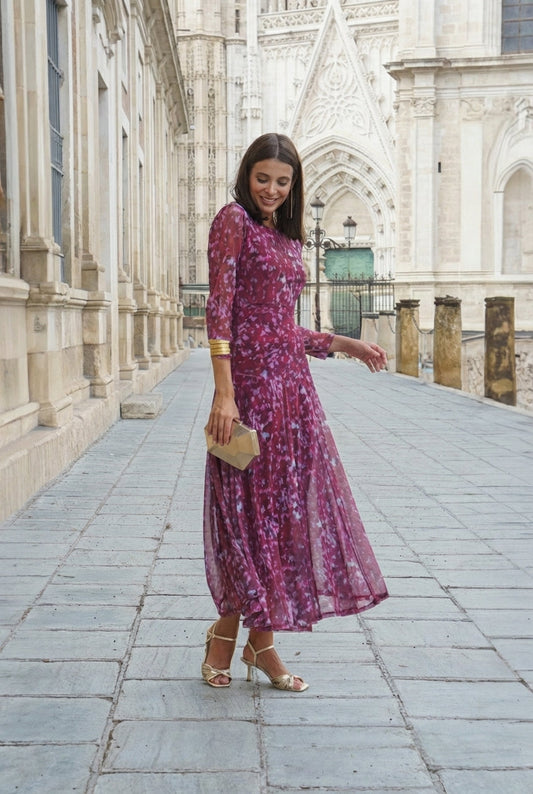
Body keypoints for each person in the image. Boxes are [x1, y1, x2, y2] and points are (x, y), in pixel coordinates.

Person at [202, 133, 388, 692]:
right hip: (247, 393)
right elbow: (219, 310)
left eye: (283, 182)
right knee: (244, 518)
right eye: (263, 178)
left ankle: (249, 645)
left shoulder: (287, 238)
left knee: (279, 520)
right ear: (246, 174)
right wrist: (224, 393)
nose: (272, 190)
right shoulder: (232, 221)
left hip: (292, 396)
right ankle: (240, 644)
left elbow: (281, 328)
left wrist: (344, 344)